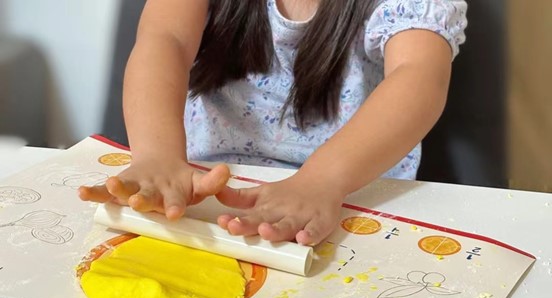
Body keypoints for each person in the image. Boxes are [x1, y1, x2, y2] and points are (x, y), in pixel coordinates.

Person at [79, 0, 468, 246]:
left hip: (347, 195)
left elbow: (418, 76)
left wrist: (323, 180)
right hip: (205, 188)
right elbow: (165, 39)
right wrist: (157, 156)